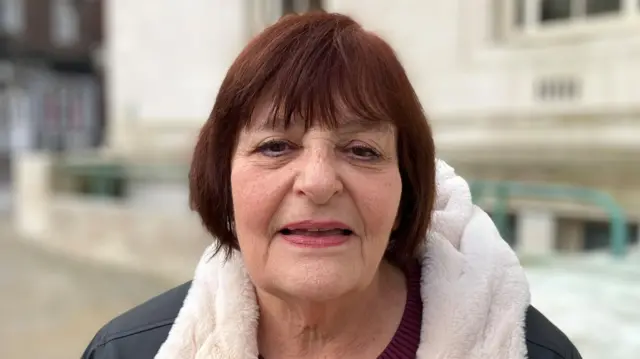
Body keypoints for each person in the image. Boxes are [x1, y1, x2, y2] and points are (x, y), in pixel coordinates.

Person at [82, 12, 582, 359]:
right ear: (221, 177)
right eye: (275, 146)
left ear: (407, 185)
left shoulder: (536, 355)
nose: (319, 183)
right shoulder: (127, 352)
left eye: (362, 150)